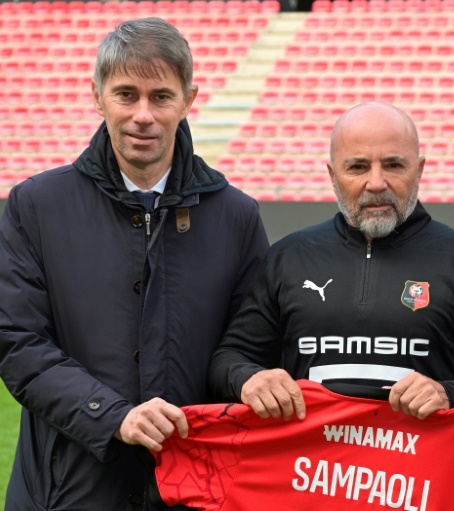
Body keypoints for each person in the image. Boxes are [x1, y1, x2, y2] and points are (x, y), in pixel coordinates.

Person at [0, 18, 269, 510]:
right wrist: (112, 416)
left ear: (188, 99)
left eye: (161, 97)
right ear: (98, 95)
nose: (143, 115)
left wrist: (248, 377)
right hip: (64, 494)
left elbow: (248, 347)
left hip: (194, 492)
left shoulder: (237, 216)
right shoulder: (35, 206)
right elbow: (18, 344)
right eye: (126, 94)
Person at [209, 102, 454, 422]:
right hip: (310, 468)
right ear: (333, 175)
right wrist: (249, 378)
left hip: (419, 469)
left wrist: (449, 393)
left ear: (420, 169)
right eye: (358, 167)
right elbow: (228, 359)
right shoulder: (289, 258)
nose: (376, 183)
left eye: (394, 165)